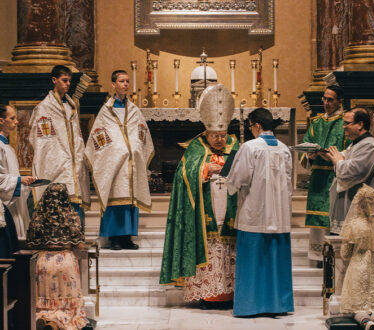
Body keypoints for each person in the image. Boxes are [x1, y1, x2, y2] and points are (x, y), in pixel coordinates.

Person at [160, 84, 238, 309]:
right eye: (215, 135)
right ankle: (208, 296)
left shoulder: (236, 145)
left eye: (223, 135)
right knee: (212, 252)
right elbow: (182, 174)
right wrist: (204, 170)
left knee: (229, 253)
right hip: (205, 211)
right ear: (207, 132)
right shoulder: (196, 145)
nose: (220, 140)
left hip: (231, 209)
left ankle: (230, 296)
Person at [226, 108, 294, 317]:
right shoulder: (284, 148)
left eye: (250, 126)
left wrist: (228, 184)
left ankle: (250, 305)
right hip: (279, 213)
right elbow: (289, 182)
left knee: (252, 260)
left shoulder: (249, 147)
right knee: (276, 261)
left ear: (256, 125)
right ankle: (278, 305)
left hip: (255, 211)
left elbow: (240, 179)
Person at [85, 70, 154, 250]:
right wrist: (115, 151)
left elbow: (141, 131)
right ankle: (114, 237)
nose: (125, 84)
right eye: (121, 81)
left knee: (130, 199)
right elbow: (99, 135)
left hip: (132, 162)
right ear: (113, 84)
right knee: (116, 197)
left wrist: (136, 148)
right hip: (114, 163)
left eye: (127, 81)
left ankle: (127, 237)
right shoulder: (105, 111)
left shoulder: (134, 110)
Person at [29, 65, 90, 225]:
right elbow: (41, 140)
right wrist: (57, 156)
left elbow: (77, 135)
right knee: (57, 201)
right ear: (54, 80)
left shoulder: (71, 106)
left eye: (69, 80)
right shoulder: (44, 108)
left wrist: (79, 154)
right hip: (56, 162)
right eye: (64, 80)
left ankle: (76, 238)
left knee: (74, 200)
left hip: (73, 161)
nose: (68, 84)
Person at [26, 183, 87, 330]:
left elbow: (31, 243)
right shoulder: (71, 216)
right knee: (67, 301)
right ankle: (61, 320)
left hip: (44, 261)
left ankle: (48, 318)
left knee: (45, 299)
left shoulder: (38, 217)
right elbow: (79, 244)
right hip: (65, 260)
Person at [301, 85, 349, 263]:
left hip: (336, 176)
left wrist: (336, 157)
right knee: (317, 220)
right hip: (318, 177)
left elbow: (351, 148)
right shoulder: (316, 122)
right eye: (324, 99)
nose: (326, 103)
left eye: (330, 99)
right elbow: (306, 142)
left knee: (332, 217)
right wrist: (309, 154)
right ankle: (317, 257)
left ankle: (333, 258)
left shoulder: (346, 122)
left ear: (339, 101)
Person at [326, 108, 374, 233]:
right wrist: (333, 157)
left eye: (347, 123)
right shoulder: (356, 144)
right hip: (352, 210)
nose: (344, 127)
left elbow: (353, 172)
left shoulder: (369, 145)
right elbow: (347, 161)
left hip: (364, 213)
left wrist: (338, 161)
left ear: (360, 124)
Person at [340, 184, 374, 330]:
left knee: (357, 307)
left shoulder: (353, 225)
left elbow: (345, 254)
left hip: (357, 269)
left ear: (359, 204)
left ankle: (366, 322)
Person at [0, 104, 36, 243]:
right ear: (1, 120)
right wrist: (20, 181)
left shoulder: (7, 147)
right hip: (4, 208)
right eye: (12, 118)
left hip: (12, 204)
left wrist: (25, 181)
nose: (17, 121)